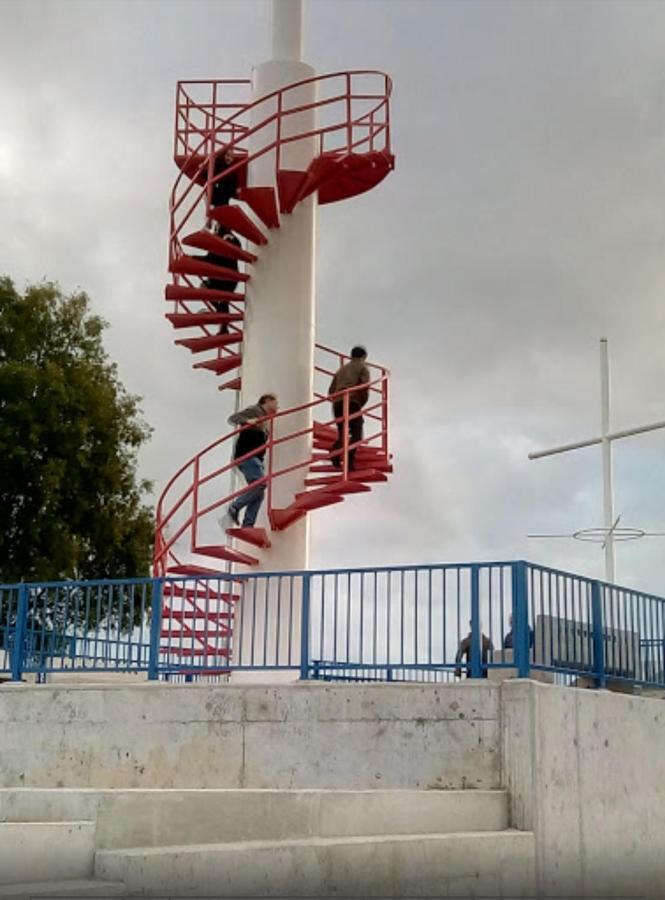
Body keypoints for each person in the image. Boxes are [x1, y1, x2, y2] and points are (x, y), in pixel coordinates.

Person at [221, 394, 278, 530]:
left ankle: (248, 525)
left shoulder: (266, 420)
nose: (278, 406)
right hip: (247, 456)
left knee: (258, 494)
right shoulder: (256, 410)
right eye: (275, 403)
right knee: (260, 484)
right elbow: (233, 418)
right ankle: (234, 507)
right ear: (267, 401)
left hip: (255, 458)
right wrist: (248, 421)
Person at [328, 346, 371, 472]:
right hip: (352, 401)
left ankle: (335, 453)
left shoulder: (341, 370)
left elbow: (331, 391)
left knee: (343, 433)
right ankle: (349, 463)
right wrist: (360, 402)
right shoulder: (363, 367)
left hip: (337, 403)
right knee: (357, 434)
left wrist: (338, 398)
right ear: (363, 357)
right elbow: (364, 386)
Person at [202, 228, 241, 334]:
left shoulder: (228, 238)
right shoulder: (217, 243)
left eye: (216, 228)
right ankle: (221, 319)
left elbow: (209, 259)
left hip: (228, 277)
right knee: (205, 288)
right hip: (223, 278)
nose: (214, 230)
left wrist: (191, 259)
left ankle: (223, 325)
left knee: (222, 299)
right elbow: (208, 259)